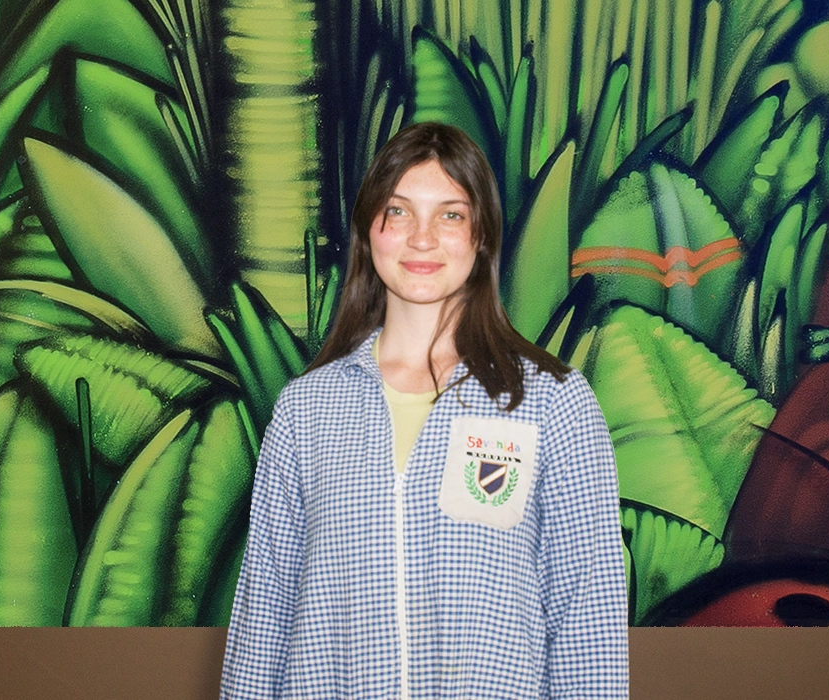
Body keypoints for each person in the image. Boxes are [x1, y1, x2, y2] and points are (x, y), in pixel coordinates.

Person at [221, 122, 628, 699]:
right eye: (399, 212)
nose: (422, 238)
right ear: (370, 230)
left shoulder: (551, 402)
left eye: (450, 215)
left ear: (481, 236)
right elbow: (265, 610)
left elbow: (588, 613)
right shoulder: (305, 410)